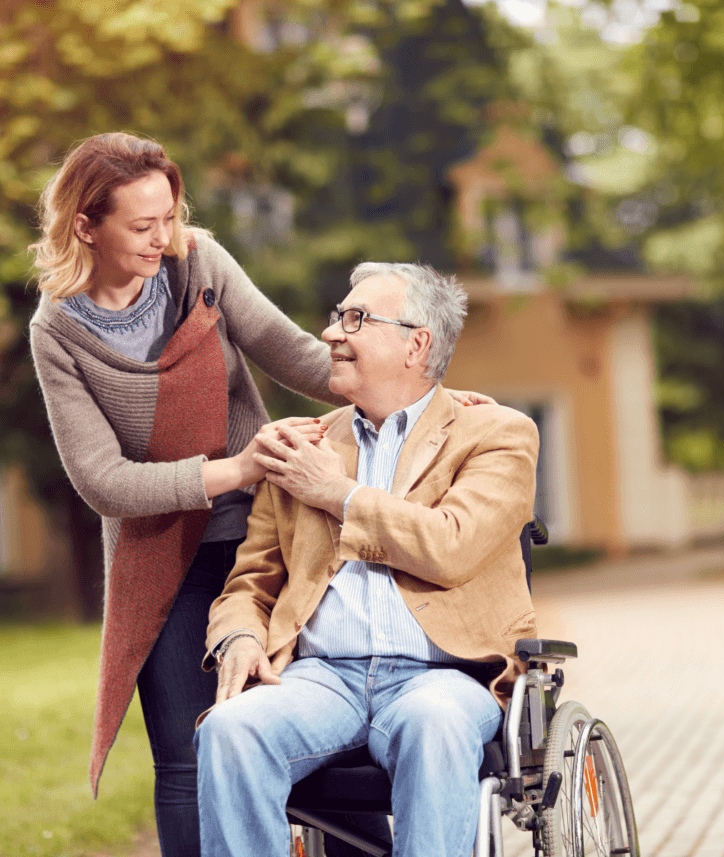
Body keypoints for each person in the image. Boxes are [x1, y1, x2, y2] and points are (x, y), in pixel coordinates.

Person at [27, 132, 489, 857]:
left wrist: (431, 397)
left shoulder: (197, 264)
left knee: (331, 721)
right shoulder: (58, 332)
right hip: (163, 554)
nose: (163, 238)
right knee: (187, 755)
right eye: (142, 226)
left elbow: (298, 353)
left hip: (267, 530)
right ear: (87, 226)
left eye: (170, 217)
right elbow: (102, 481)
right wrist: (236, 470)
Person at [194, 261, 539, 857]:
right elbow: (249, 584)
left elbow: (451, 546)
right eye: (335, 317)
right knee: (229, 729)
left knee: (435, 726)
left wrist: (339, 495)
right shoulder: (303, 443)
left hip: (444, 676)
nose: (331, 333)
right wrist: (239, 639)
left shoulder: (498, 434)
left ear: (417, 343)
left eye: (355, 318)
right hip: (320, 677)